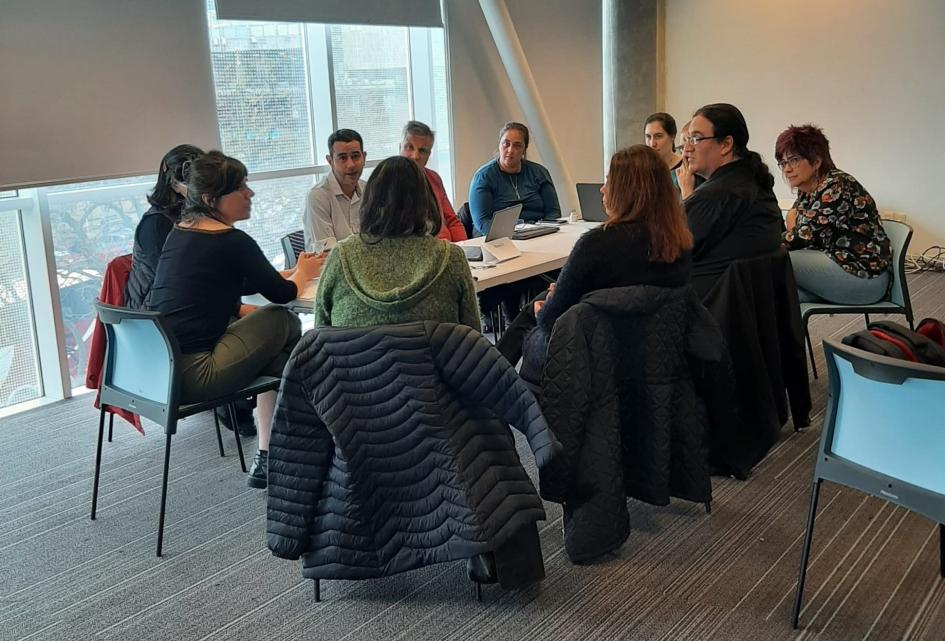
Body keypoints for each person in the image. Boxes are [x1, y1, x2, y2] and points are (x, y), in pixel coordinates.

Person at [149, 151, 324, 489]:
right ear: (211, 199)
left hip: (163, 370)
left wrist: (290, 274)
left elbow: (242, 281)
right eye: (240, 188)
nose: (250, 194)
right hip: (197, 373)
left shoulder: (181, 232)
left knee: (277, 359)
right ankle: (297, 444)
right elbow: (282, 295)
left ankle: (271, 456)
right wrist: (303, 272)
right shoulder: (231, 241)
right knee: (283, 322)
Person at [497, 145, 693, 372]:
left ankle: (491, 382)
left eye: (609, 181)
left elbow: (550, 319)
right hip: (658, 349)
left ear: (626, 190)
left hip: (590, 352)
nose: (602, 189)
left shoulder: (597, 244)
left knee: (534, 311)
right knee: (545, 295)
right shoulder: (680, 242)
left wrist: (549, 304)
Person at [314, 156, 480, 330]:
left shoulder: (341, 257)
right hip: (433, 356)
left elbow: (321, 332)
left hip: (356, 357)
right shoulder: (451, 259)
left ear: (369, 200)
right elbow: (474, 336)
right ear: (426, 201)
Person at [776, 124, 891, 304]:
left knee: (774, 260)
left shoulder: (836, 185)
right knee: (776, 296)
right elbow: (795, 223)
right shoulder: (809, 189)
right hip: (837, 268)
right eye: (783, 162)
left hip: (864, 278)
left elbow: (800, 237)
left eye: (794, 160)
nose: (787, 169)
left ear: (816, 161)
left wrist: (758, 242)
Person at [680, 103, 782, 294]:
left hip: (706, 305)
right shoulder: (753, 182)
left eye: (695, 139)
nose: (686, 150)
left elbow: (667, 251)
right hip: (740, 305)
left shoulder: (717, 195)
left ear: (726, 144)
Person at [125, 144, 204, 310]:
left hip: (188, 305)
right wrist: (235, 307)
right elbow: (177, 280)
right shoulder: (156, 225)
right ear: (174, 183)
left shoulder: (194, 215)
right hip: (156, 314)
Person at [468, 122, 561, 236]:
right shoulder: (484, 177)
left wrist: (540, 230)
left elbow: (553, 212)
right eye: (506, 144)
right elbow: (482, 223)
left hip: (537, 233)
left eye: (517, 146)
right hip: (498, 237)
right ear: (499, 145)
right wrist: (516, 233)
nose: (510, 150)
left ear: (524, 150)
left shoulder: (540, 173)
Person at [400, 120, 467, 242]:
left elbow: (452, 221)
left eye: (422, 151)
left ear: (429, 154)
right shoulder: (390, 183)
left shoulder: (434, 178)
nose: (415, 156)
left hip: (448, 249)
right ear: (400, 147)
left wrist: (463, 248)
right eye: (409, 147)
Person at [303, 128, 366, 246]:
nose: (351, 165)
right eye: (343, 158)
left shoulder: (369, 190)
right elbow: (328, 254)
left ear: (364, 157)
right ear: (330, 161)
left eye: (355, 156)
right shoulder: (318, 196)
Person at [644, 112, 684, 190]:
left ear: (672, 136)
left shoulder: (685, 167)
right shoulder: (642, 169)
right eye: (648, 137)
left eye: (658, 136)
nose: (652, 143)